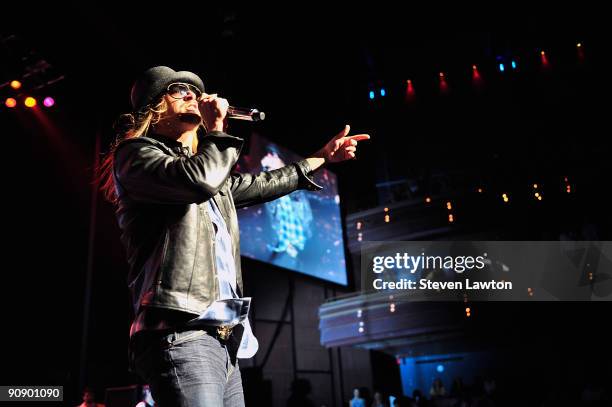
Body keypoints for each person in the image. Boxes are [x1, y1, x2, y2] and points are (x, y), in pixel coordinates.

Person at [98, 66, 370, 406]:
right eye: (179, 90)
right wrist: (216, 130)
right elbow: (200, 180)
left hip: (223, 339)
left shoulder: (202, 171)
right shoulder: (136, 155)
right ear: (154, 109)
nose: (192, 96)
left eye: (195, 92)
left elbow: (260, 184)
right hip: (180, 331)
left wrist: (322, 158)